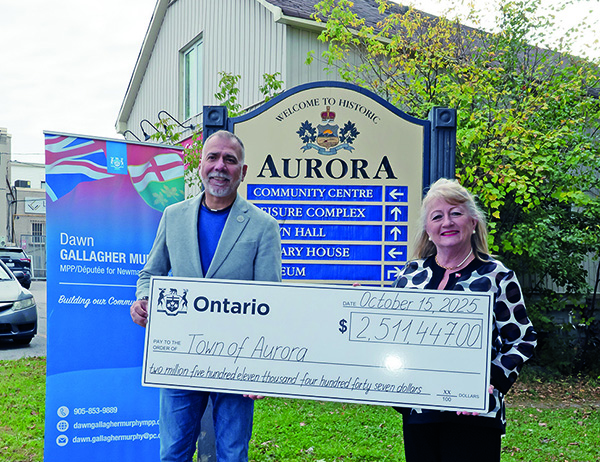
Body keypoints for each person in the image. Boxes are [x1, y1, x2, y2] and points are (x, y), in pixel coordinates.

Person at [130, 129, 282, 462]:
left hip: (237, 360)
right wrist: (142, 299)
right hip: (179, 356)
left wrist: (261, 367)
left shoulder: (263, 226)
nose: (220, 166)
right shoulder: (174, 216)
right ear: (200, 165)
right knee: (173, 451)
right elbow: (151, 274)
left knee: (232, 453)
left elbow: (270, 302)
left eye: (230, 159)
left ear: (243, 171)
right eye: (212, 157)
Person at [392, 178, 537, 462]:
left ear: (473, 222)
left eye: (455, 213)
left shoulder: (497, 275)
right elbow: (391, 336)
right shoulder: (410, 275)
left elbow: (523, 339)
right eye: (437, 216)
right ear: (428, 230)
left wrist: (490, 382)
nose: (447, 222)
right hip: (419, 410)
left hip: (474, 413)